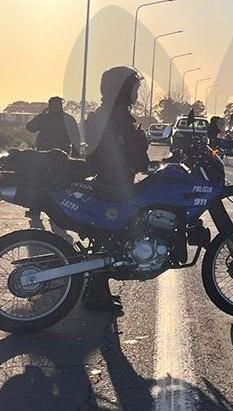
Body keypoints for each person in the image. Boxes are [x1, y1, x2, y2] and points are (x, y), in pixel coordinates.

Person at [81, 66, 150, 311]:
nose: (136, 93)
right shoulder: (115, 115)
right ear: (121, 90)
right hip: (113, 180)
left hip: (112, 177)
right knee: (113, 236)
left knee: (109, 236)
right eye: (133, 88)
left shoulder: (111, 112)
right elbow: (131, 148)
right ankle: (96, 294)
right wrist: (144, 160)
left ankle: (95, 291)